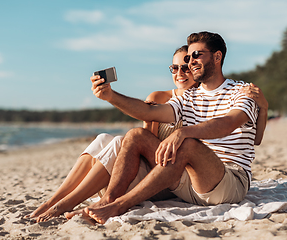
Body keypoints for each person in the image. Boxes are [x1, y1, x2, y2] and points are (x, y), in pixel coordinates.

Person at [85, 31, 267, 224]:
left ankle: (119, 205)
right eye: (189, 57)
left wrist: (183, 132)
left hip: (228, 181)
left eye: (197, 55)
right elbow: (148, 112)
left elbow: (227, 124)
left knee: (188, 144)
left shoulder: (243, 91)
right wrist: (111, 96)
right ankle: (108, 200)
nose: (191, 62)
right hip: (188, 181)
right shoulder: (189, 97)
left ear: (217, 56)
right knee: (136, 135)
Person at [27, 45, 199, 222]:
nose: (180, 73)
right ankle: (54, 201)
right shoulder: (159, 97)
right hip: (150, 164)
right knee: (103, 139)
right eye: (175, 68)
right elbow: (146, 142)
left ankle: (66, 203)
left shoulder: (201, 102)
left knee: (118, 141)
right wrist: (148, 120)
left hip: (167, 178)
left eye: (185, 68)